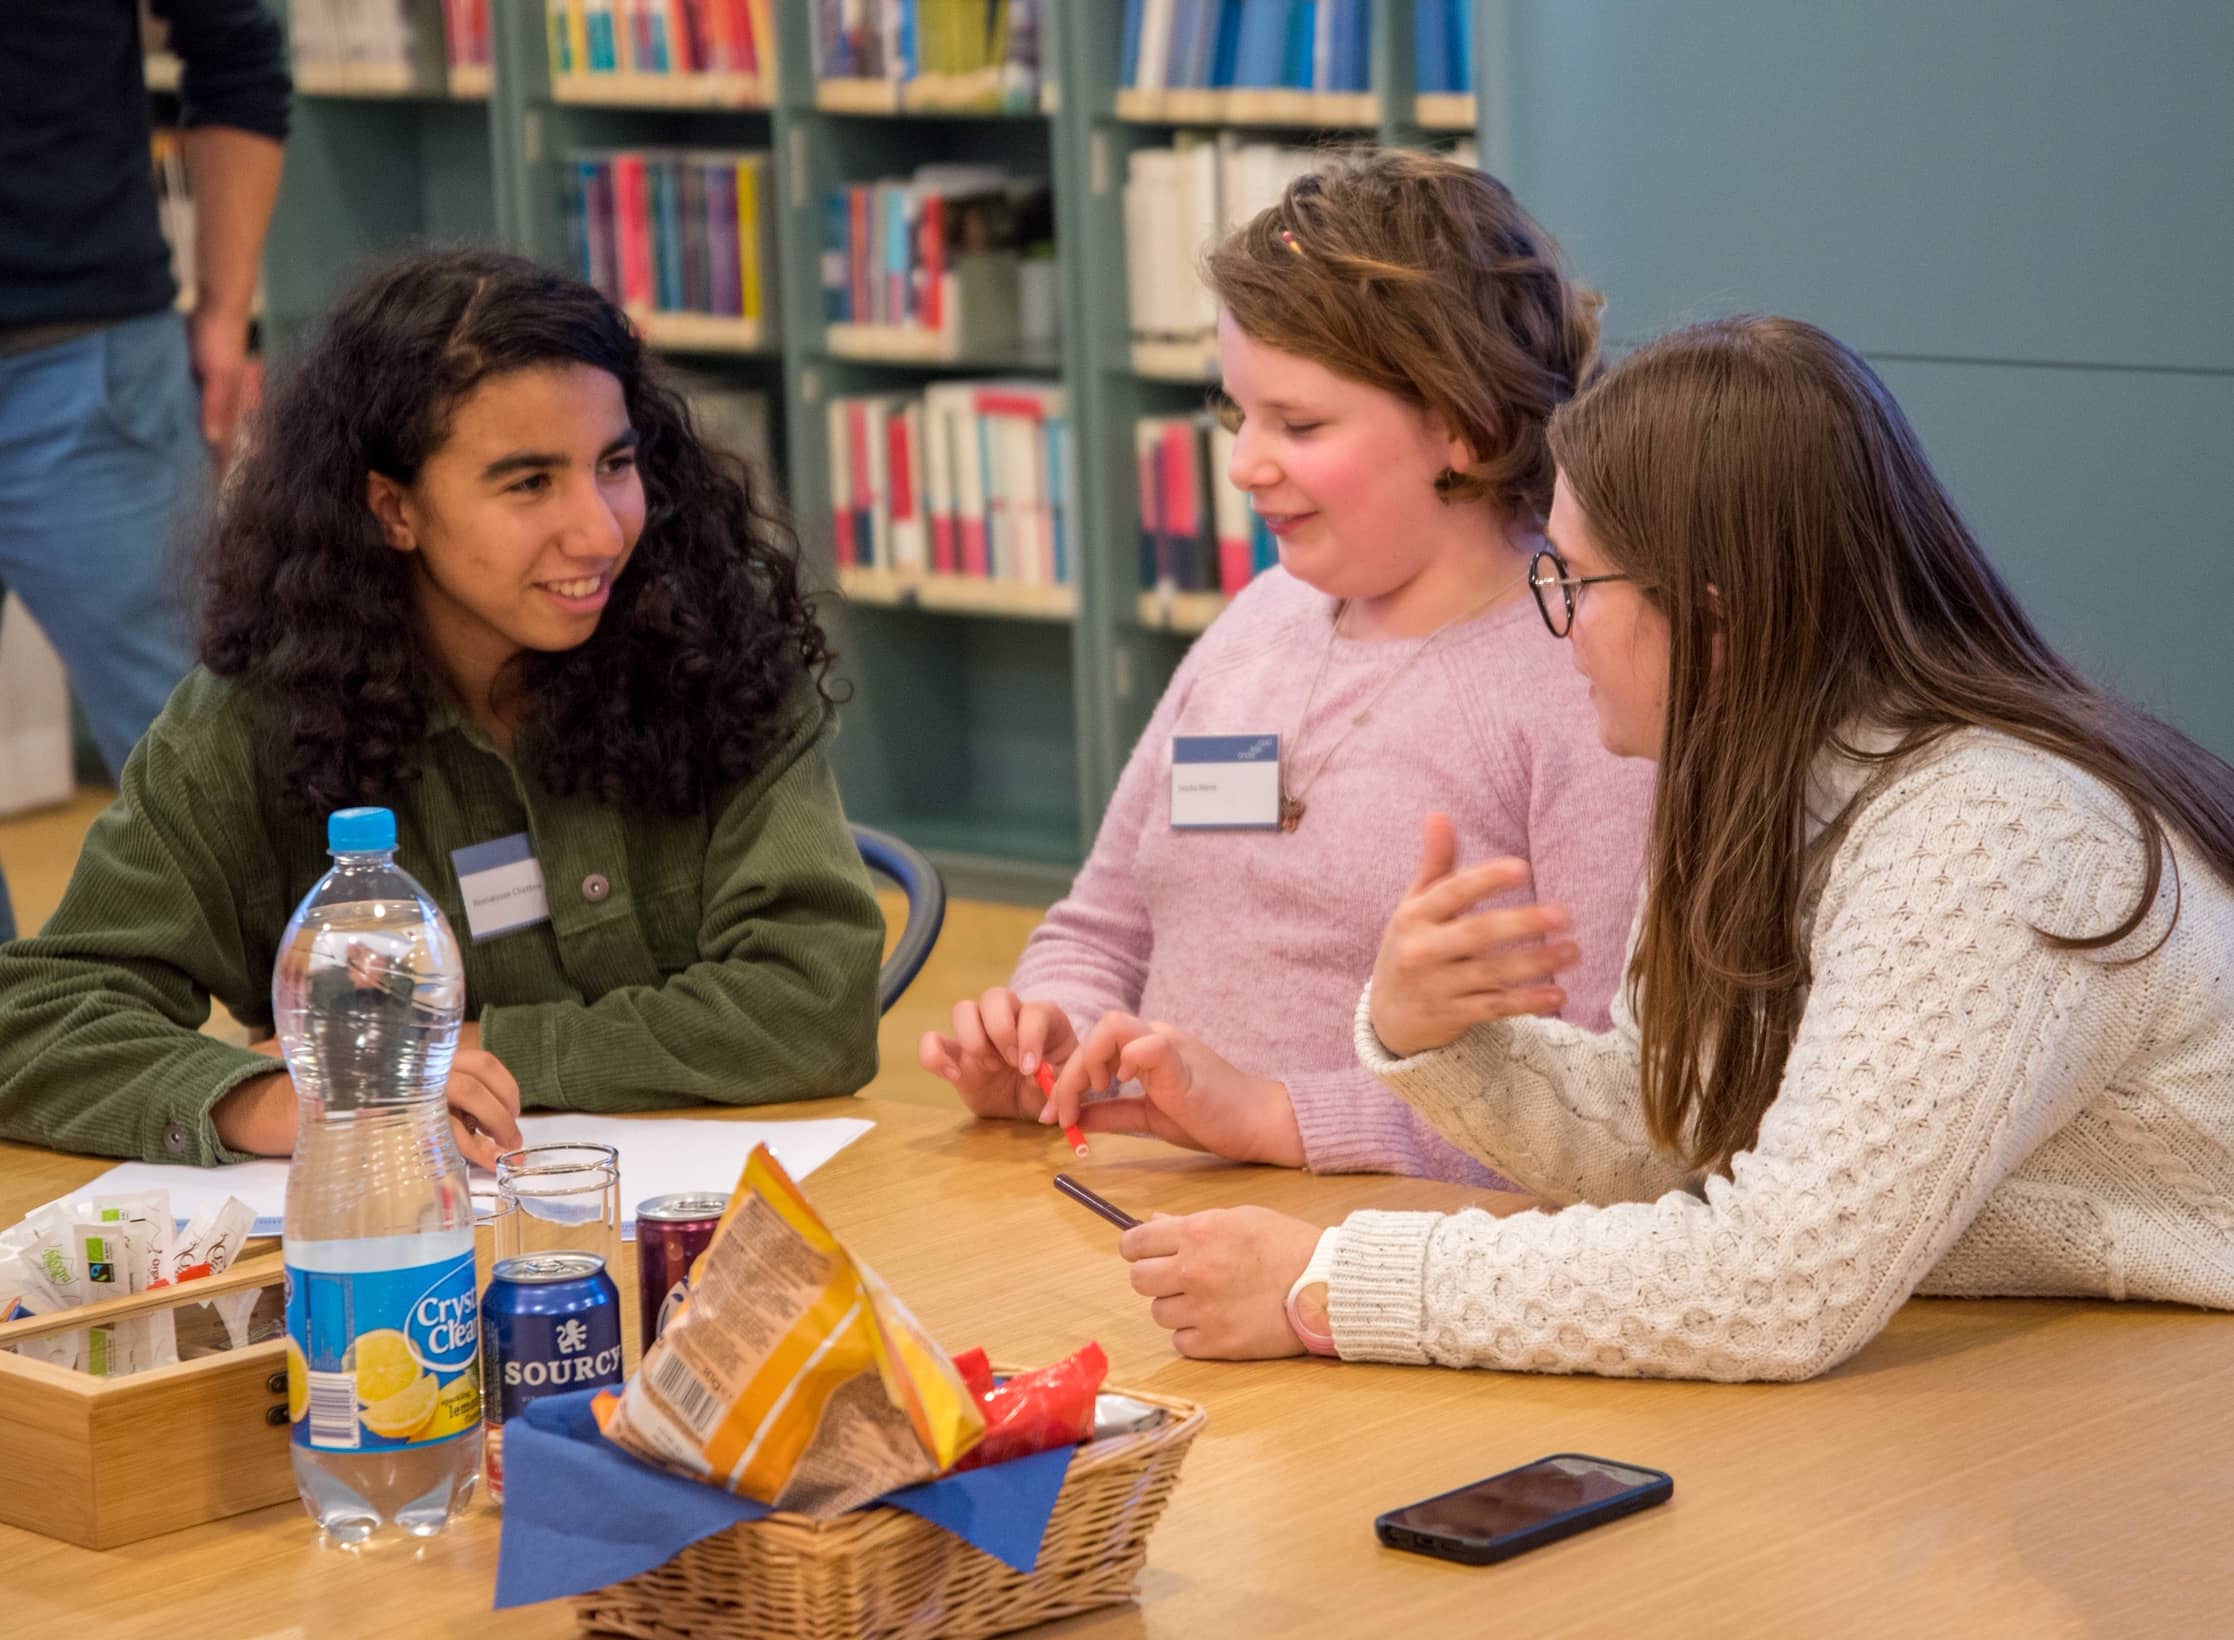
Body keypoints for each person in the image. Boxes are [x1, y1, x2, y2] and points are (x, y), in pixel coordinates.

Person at [1105, 315, 2234, 1380]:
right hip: (2085, 1356)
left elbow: (1778, 1280)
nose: (1559, 630)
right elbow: (1674, 1132)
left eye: (1572, 584)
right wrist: (1430, 1035)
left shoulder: (1990, 829)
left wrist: (1326, 1280)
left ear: (1714, 619)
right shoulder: (1756, 773)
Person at [0, 247, 884, 1167]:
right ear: (394, 509)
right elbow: (32, 1022)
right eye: (530, 482)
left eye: (616, 464)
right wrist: (252, 1099)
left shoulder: (716, 651)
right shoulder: (255, 723)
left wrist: (466, 1054)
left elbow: (814, 1004)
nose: (599, 530)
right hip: (406, 1251)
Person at [921, 150, 1655, 1185]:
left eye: (1298, 423)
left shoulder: (1583, 680)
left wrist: (1277, 1117)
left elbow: (1597, 1107)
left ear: (1461, 425)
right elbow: (1099, 928)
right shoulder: (1259, 619)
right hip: (1149, 1215)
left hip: (1383, 1260)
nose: (1242, 463)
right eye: (1237, 413)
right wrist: (1049, 1038)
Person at [0, 0, 289, 943]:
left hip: (87, 361)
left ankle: (344, 1066)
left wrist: (225, 307)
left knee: (217, 763)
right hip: (91, 357)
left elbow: (236, 45)